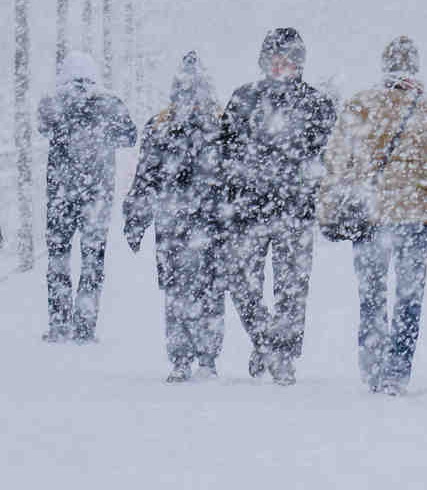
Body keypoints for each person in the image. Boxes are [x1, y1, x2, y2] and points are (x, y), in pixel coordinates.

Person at [318, 37, 427, 395]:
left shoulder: (361, 104)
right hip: (417, 216)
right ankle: (397, 371)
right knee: (408, 299)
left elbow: (336, 160)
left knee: (371, 295)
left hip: (370, 215)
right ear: (415, 67)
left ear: (385, 66)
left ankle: (372, 365)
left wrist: (330, 209)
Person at [219, 28, 337, 385]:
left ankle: (283, 354)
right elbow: (223, 149)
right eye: (274, 58)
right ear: (263, 60)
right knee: (240, 280)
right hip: (247, 209)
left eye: (287, 59)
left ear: (299, 64)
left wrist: (309, 183)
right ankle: (265, 339)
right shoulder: (244, 98)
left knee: (292, 291)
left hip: (294, 210)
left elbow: (327, 155)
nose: (280, 65)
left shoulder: (317, 103)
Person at [123, 52, 226, 382]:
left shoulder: (161, 125)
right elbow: (234, 177)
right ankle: (201, 359)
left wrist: (136, 218)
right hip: (206, 221)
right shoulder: (219, 124)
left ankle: (188, 359)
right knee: (202, 291)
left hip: (178, 221)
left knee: (182, 291)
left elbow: (145, 177)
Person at [37, 51, 136, 342]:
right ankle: (85, 326)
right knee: (93, 259)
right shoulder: (110, 102)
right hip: (97, 194)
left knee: (58, 258)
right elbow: (130, 136)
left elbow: (43, 128)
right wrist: (102, 136)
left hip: (61, 193)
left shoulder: (53, 100)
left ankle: (59, 324)